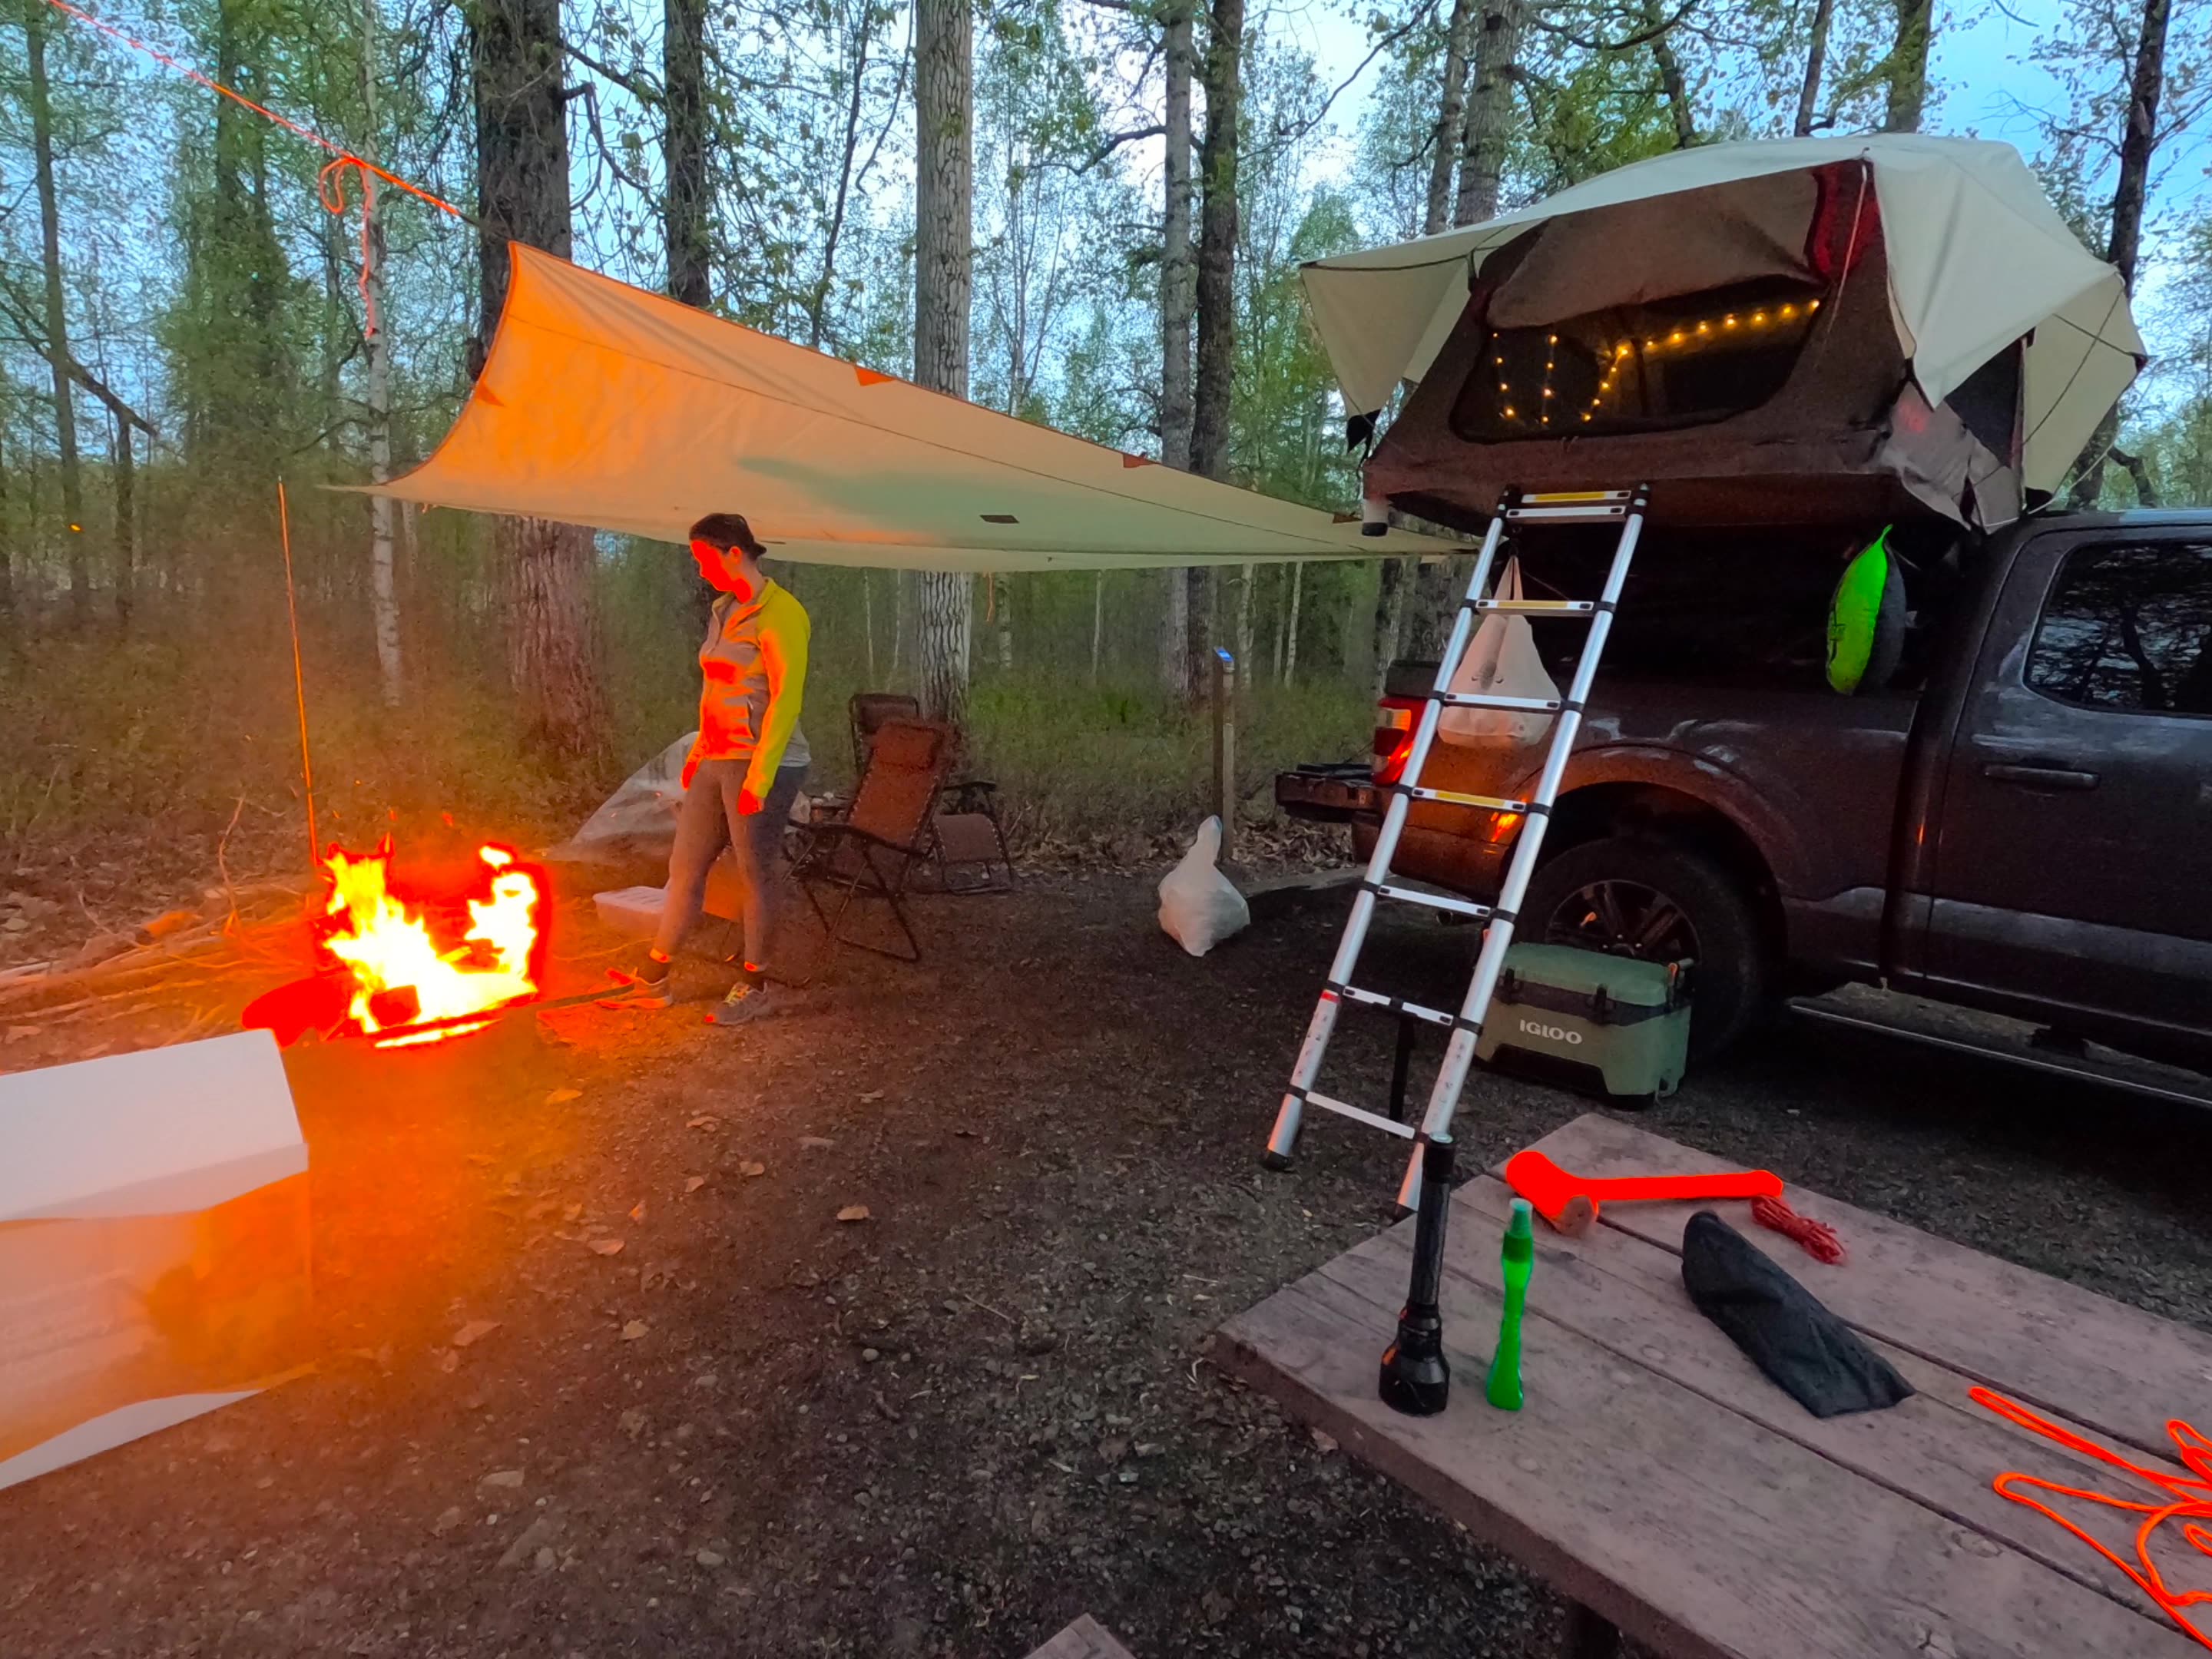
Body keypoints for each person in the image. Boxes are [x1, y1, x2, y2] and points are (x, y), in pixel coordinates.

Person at [614, 512, 810, 1024]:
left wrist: (761, 777)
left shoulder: (782, 613)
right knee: (685, 865)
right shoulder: (723, 610)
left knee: (754, 871)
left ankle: (756, 982)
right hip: (718, 756)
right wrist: (698, 753)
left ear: (734, 554)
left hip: (765, 758)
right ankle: (655, 977)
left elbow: (787, 700)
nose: (701, 572)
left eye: (705, 561)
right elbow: (716, 691)